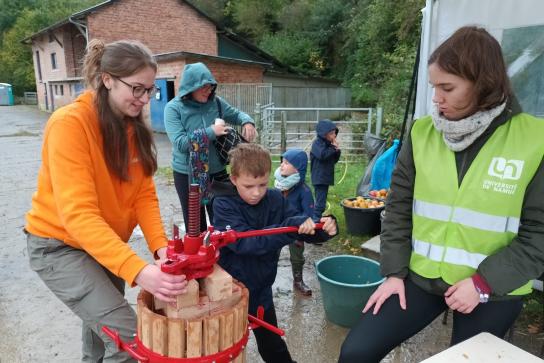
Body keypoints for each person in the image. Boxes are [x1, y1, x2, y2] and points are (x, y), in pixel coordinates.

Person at [338, 26, 544, 363]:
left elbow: (539, 235)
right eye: (435, 87)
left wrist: (483, 283)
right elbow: (398, 208)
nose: (436, 99)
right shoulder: (422, 132)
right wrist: (393, 272)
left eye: (447, 88)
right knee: (355, 353)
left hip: (494, 288)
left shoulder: (535, 140)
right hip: (420, 278)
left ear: (484, 84)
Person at [25, 39, 188, 362]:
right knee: (131, 340)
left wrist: (160, 248)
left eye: (150, 90)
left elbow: (143, 194)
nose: (144, 100)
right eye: (137, 89)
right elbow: (79, 215)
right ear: (107, 79)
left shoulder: (131, 128)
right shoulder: (70, 124)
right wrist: (140, 271)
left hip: (103, 244)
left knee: (102, 334)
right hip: (59, 246)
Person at [212, 143, 338, 363]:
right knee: (224, 348)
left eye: (262, 184)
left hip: (261, 288)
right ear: (233, 179)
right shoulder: (223, 204)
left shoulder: (275, 199)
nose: (257, 192)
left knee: (272, 345)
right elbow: (248, 243)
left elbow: (299, 227)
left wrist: (324, 229)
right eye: (249, 185)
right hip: (231, 292)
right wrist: (291, 226)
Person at [164, 62, 257, 234]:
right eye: (204, 87)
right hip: (188, 175)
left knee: (223, 219)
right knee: (196, 225)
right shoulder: (173, 109)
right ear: (190, 87)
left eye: (211, 87)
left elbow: (236, 114)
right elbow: (181, 144)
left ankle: (223, 257)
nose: (209, 91)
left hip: (218, 172)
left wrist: (247, 121)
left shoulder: (217, 103)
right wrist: (210, 132)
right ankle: (202, 259)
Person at [274, 148, 315, 295]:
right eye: (281, 162)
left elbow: (309, 215)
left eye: (286, 163)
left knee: (297, 256)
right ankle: (268, 278)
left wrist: (301, 229)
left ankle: (298, 280)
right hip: (278, 228)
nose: (281, 166)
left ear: (297, 169)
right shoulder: (279, 185)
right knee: (272, 253)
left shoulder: (304, 191)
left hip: (295, 231)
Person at [310, 119, 341, 219]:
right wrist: (332, 149)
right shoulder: (317, 144)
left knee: (320, 201)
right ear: (324, 134)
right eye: (331, 133)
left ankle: (315, 217)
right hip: (319, 177)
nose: (334, 136)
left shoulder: (329, 145)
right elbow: (322, 155)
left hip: (325, 178)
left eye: (334, 133)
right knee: (320, 203)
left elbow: (333, 160)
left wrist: (337, 151)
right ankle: (315, 220)